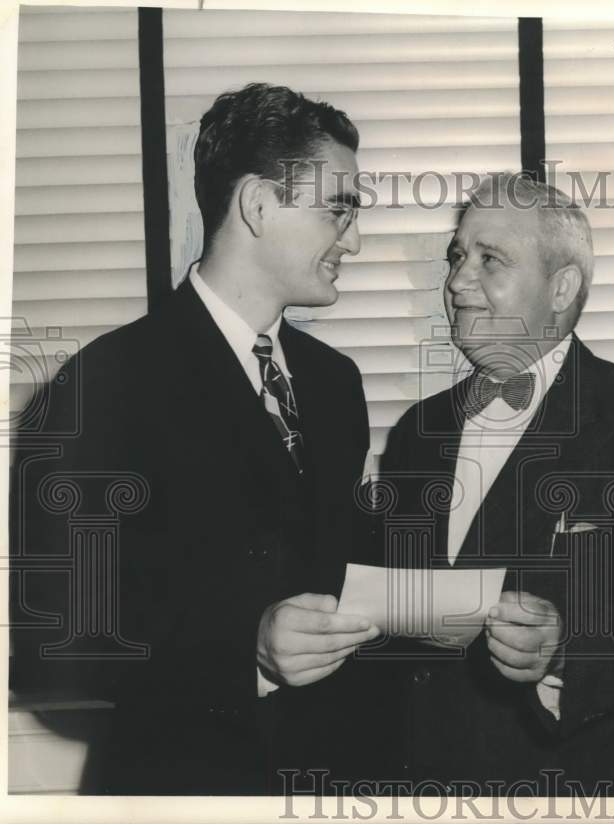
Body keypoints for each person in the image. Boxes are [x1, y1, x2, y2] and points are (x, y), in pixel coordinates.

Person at [9, 83, 378, 794]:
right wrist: (249, 654)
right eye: (340, 209)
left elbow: (345, 574)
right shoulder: (98, 387)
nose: (355, 239)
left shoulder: (336, 384)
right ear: (258, 205)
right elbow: (63, 649)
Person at [365, 173, 614, 794]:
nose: (456, 282)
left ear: (562, 288)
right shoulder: (419, 430)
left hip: (567, 786)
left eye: (488, 260)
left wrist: (564, 651)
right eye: (456, 257)